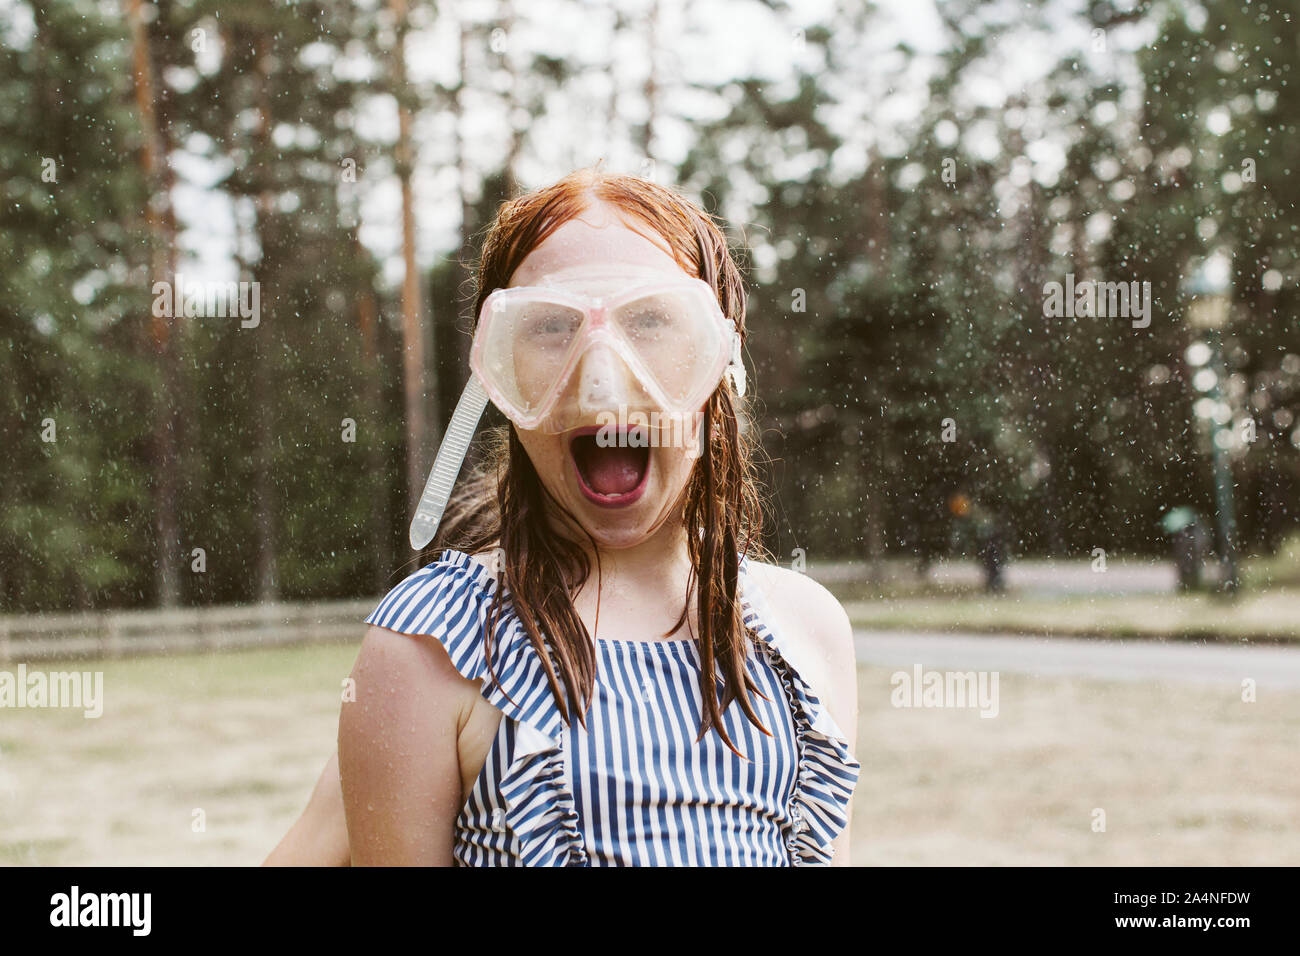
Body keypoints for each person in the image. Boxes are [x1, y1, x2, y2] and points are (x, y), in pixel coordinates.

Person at [263, 167, 860, 866]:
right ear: (498, 372)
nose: (601, 381)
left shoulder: (807, 631)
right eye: (550, 326)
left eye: (650, 319)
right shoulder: (432, 649)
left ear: (720, 362)